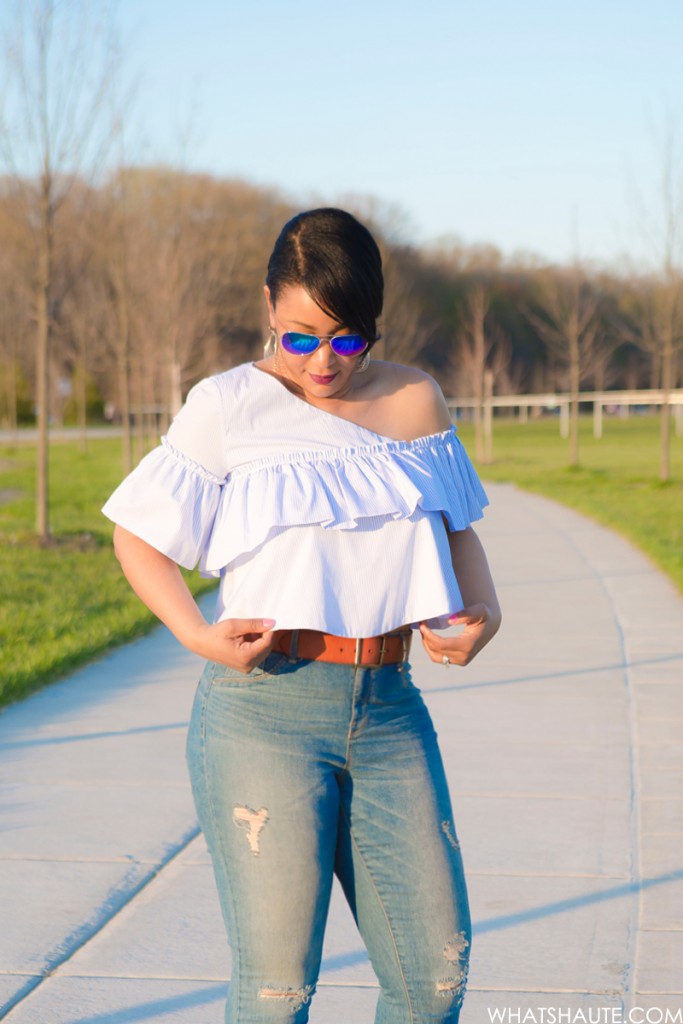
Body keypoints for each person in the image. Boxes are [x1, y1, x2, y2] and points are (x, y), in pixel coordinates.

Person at [102, 207, 501, 1024]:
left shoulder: (415, 402)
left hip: (390, 711)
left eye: (347, 338)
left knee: (433, 980)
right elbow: (137, 537)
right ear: (267, 308)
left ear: (373, 325)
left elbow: (457, 533)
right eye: (299, 336)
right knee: (278, 990)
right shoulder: (227, 406)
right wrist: (193, 632)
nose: (323, 360)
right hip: (263, 714)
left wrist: (483, 612)